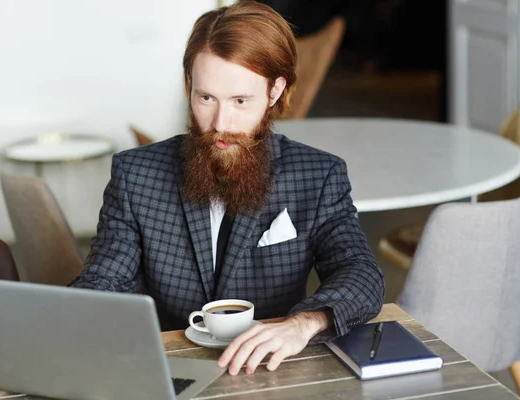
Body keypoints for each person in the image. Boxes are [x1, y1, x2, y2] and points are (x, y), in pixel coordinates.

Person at [69, 0, 384, 375]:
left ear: (274, 91)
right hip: (169, 369)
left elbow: (361, 273)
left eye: (240, 101)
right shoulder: (135, 173)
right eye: (206, 98)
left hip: (272, 369)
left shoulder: (318, 175)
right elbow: (105, 277)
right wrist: (86, 314)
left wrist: (303, 324)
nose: (221, 122)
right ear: (188, 85)